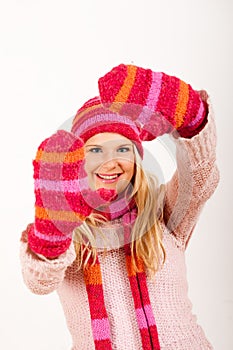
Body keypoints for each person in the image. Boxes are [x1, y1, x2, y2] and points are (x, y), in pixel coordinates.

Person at [20, 63, 220, 350]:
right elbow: (39, 281)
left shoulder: (163, 212)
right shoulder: (68, 232)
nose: (109, 162)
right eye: (95, 150)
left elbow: (201, 176)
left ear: (137, 158)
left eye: (122, 149)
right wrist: (54, 227)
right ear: (78, 161)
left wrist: (191, 116)